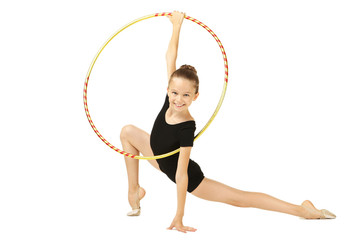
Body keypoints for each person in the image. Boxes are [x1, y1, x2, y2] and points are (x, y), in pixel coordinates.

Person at [120, 11, 336, 233]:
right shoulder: (170, 98)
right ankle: (134, 190)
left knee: (239, 199)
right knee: (127, 132)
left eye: (186, 95)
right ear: (168, 90)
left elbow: (181, 174)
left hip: (187, 177)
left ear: (195, 96)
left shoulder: (187, 127)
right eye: (174, 93)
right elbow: (170, 57)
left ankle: (303, 210)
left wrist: (179, 216)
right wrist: (177, 25)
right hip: (158, 156)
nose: (178, 99)